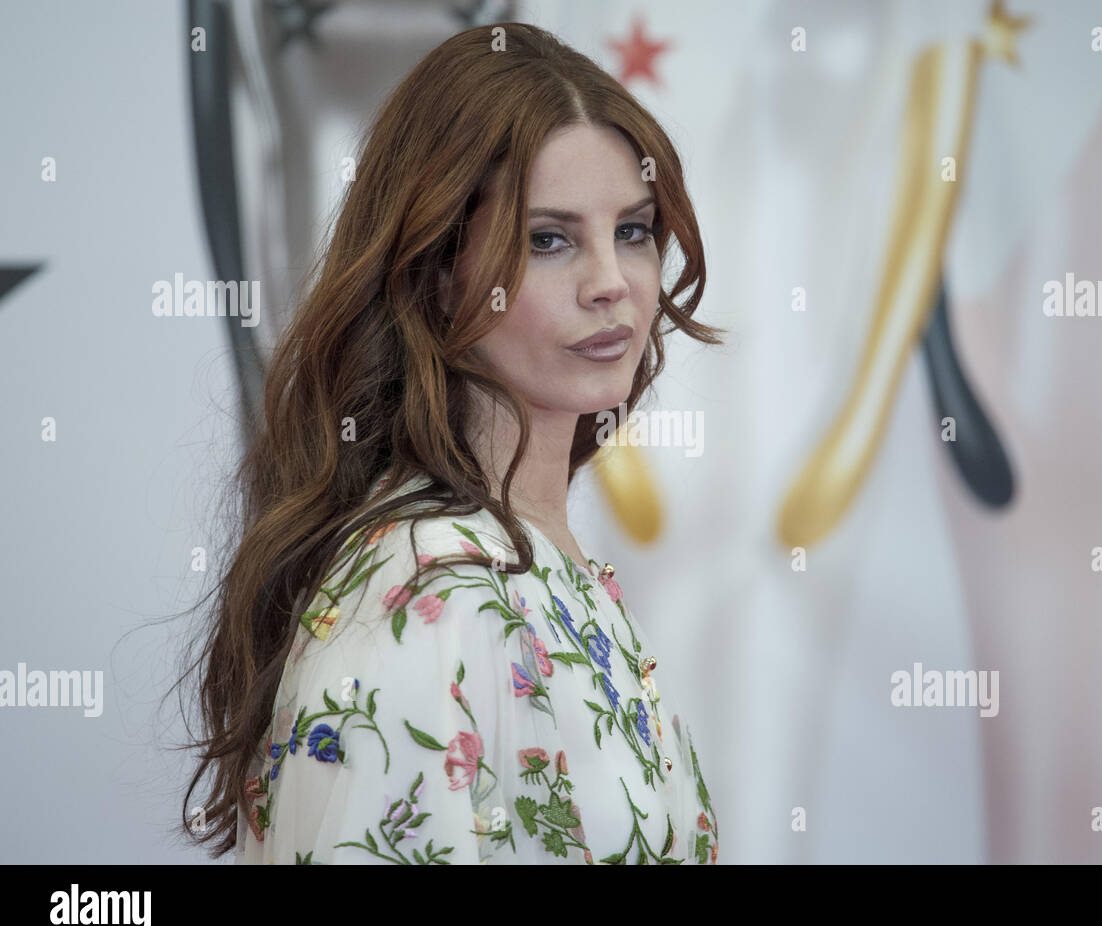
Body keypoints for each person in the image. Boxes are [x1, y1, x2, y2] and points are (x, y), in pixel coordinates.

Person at [176, 22, 725, 864]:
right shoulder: (433, 596)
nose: (611, 282)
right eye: (550, 239)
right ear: (436, 268)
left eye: (634, 230)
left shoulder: (534, 563)